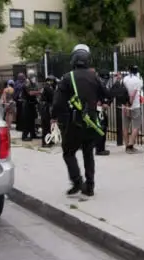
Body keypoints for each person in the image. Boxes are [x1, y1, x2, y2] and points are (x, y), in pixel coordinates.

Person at [51, 44, 112, 197]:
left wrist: (54, 117)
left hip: (73, 122)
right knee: (88, 153)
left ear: (73, 60)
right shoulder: (94, 77)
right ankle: (90, 186)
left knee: (68, 152)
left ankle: (77, 180)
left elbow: (57, 102)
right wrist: (100, 103)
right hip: (91, 121)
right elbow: (107, 94)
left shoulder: (67, 78)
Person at [122, 65, 144, 154]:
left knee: (125, 126)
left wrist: (126, 104)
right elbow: (134, 93)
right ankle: (131, 146)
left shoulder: (125, 79)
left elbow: (123, 91)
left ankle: (126, 145)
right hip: (134, 105)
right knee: (136, 126)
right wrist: (130, 103)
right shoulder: (138, 80)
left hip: (124, 105)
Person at [95, 69, 111, 156]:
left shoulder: (104, 87)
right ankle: (99, 149)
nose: (104, 81)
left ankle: (101, 148)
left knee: (103, 127)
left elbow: (108, 97)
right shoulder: (95, 86)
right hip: (96, 110)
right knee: (100, 128)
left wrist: (106, 103)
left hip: (101, 110)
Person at [21, 69, 41, 141]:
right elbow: (30, 93)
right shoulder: (27, 82)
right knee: (27, 120)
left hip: (31, 103)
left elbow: (35, 89)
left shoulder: (33, 82)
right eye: (33, 75)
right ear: (30, 76)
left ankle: (33, 134)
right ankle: (24, 136)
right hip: (27, 104)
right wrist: (39, 92)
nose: (34, 77)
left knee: (32, 120)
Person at [40, 75, 57, 148]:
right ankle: (45, 142)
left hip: (44, 108)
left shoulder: (46, 87)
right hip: (45, 108)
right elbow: (53, 97)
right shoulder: (48, 87)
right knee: (46, 126)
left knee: (48, 126)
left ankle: (48, 141)